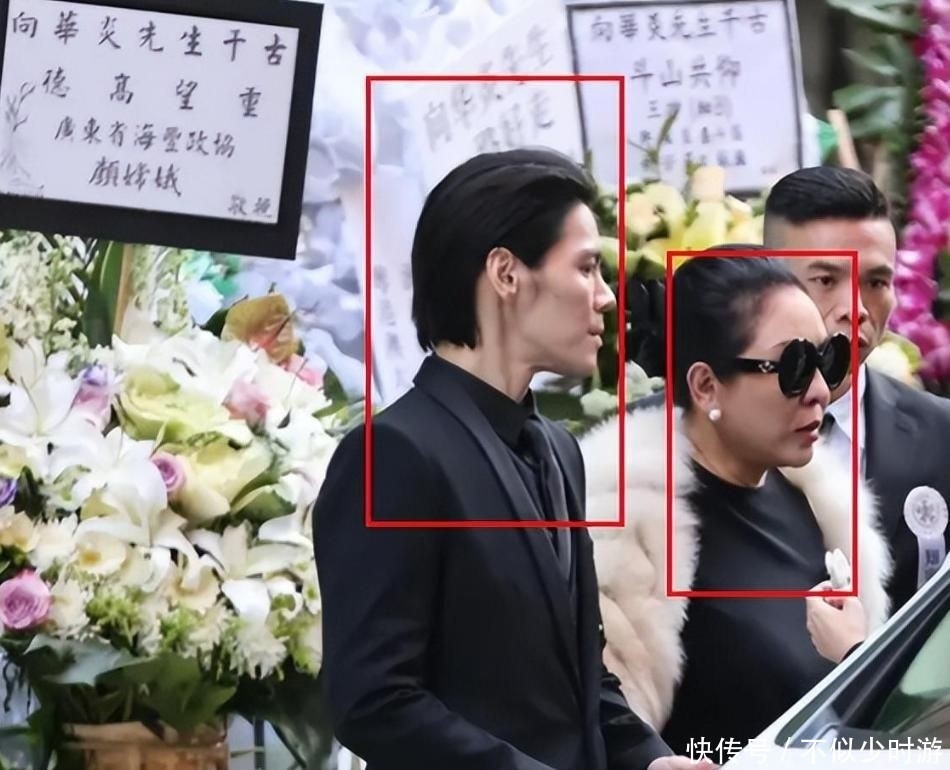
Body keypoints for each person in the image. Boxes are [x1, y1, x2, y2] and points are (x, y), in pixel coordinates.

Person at [312, 148, 707, 770]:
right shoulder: (393, 454)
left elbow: (582, 677)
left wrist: (652, 759)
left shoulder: (558, 449)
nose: (606, 297)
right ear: (505, 273)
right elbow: (374, 701)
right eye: (586, 268)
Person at [582, 255, 893, 757]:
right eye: (793, 366)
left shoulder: (819, 503)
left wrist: (857, 657)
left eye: (827, 359)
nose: (820, 390)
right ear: (706, 386)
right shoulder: (630, 534)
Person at [764, 166, 950, 613]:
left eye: (876, 283)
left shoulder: (941, 436)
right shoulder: (694, 437)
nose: (856, 309)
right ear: (764, 280)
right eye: (826, 280)